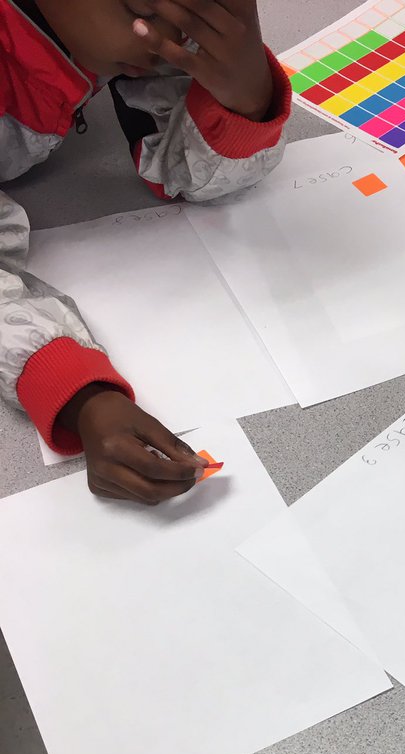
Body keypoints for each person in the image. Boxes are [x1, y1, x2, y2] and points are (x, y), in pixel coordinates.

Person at [1, 0, 291, 503]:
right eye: (143, 9)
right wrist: (73, 391)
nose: (172, 37)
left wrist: (246, 96)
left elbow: (183, 171)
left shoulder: (146, 31)